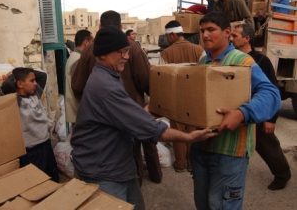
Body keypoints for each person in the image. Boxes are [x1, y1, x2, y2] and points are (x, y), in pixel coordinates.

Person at [70, 25, 217, 209]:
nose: (127, 56)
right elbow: (152, 130)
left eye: (127, 51)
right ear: (102, 55)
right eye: (121, 52)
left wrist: (145, 111)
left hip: (118, 165)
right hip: (103, 171)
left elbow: (123, 116)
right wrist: (189, 137)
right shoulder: (106, 87)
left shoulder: (109, 75)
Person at [189, 11, 281, 210]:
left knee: (222, 205)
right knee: (203, 204)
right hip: (200, 148)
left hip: (229, 153)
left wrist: (242, 113)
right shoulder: (203, 62)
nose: (205, 35)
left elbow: (271, 94)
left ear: (227, 32)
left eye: (211, 30)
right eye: (202, 30)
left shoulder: (242, 61)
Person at [72, 11, 161, 185]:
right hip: (133, 110)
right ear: (121, 28)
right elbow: (146, 80)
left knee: (116, 153)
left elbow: (77, 85)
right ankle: (142, 183)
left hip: (103, 119)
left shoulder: (90, 48)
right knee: (137, 148)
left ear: (99, 27)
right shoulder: (132, 47)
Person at [230, 23, 291, 190]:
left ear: (247, 38)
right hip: (238, 112)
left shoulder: (261, 61)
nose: (231, 38)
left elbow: (273, 91)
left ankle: (282, 175)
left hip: (257, 113)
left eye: (235, 36)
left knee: (268, 147)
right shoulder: (231, 58)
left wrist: (271, 119)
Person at [160, 20, 206, 173]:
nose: (167, 40)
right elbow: (206, 74)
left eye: (167, 36)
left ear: (173, 34)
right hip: (195, 98)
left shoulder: (166, 53)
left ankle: (180, 164)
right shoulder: (199, 50)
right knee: (193, 131)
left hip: (176, 100)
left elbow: (162, 79)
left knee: (178, 132)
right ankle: (191, 163)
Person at [1, 68, 59, 182]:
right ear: (19, 84)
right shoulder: (14, 99)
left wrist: (21, 70)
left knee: (52, 176)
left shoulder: (35, 93)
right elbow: (7, 84)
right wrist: (13, 74)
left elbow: (42, 75)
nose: (35, 83)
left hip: (45, 143)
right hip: (30, 148)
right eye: (32, 81)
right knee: (36, 180)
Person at [65, 30, 93, 126]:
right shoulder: (78, 59)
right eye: (92, 42)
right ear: (86, 43)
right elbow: (78, 87)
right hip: (79, 112)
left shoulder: (75, 56)